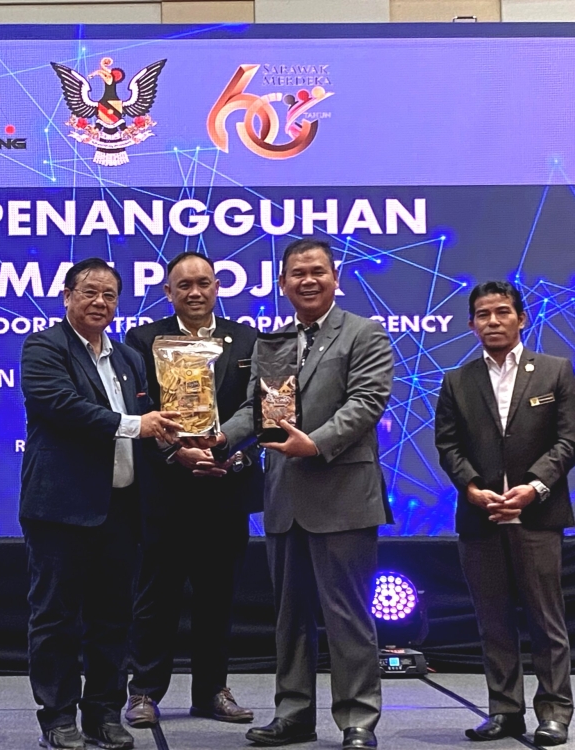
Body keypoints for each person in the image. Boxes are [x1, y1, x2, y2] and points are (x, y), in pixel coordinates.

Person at [186, 238, 393, 750]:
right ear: (282, 284)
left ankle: (358, 719)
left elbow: (366, 403)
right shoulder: (272, 343)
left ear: (335, 277)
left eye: (317, 271)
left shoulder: (364, 333)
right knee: (290, 619)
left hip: (344, 497)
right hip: (284, 498)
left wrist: (314, 443)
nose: (308, 280)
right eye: (297, 273)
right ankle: (294, 714)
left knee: (347, 616)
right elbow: (255, 412)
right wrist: (220, 438)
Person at [20, 257, 182, 750]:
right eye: (89, 291)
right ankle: (57, 718)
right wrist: (137, 425)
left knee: (113, 619)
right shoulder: (44, 347)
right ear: (66, 296)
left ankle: (104, 714)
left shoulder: (129, 358)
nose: (100, 302)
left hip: (121, 509)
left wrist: (182, 447)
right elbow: (63, 407)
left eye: (109, 294)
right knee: (56, 619)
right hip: (61, 510)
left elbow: (151, 424)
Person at [122, 251, 263, 728]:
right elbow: (137, 407)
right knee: (156, 596)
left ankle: (211, 691)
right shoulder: (143, 340)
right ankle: (143, 691)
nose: (195, 292)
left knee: (217, 597)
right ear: (168, 292)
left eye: (204, 282)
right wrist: (175, 452)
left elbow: (260, 407)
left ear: (218, 286)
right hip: (166, 490)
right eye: (184, 285)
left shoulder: (247, 339)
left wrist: (230, 453)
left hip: (226, 485)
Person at [434, 281, 574, 747]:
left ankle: (554, 713)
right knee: (493, 621)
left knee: (546, 621)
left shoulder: (555, 371)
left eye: (502, 312)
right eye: (483, 314)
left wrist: (533, 487)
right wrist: (472, 488)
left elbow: (568, 440)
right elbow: (448, 444)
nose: (492, 321)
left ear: (521, 318)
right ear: (471, 324)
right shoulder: (457, 380)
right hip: (481, 518)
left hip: (538, 515)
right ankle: (504, 711)